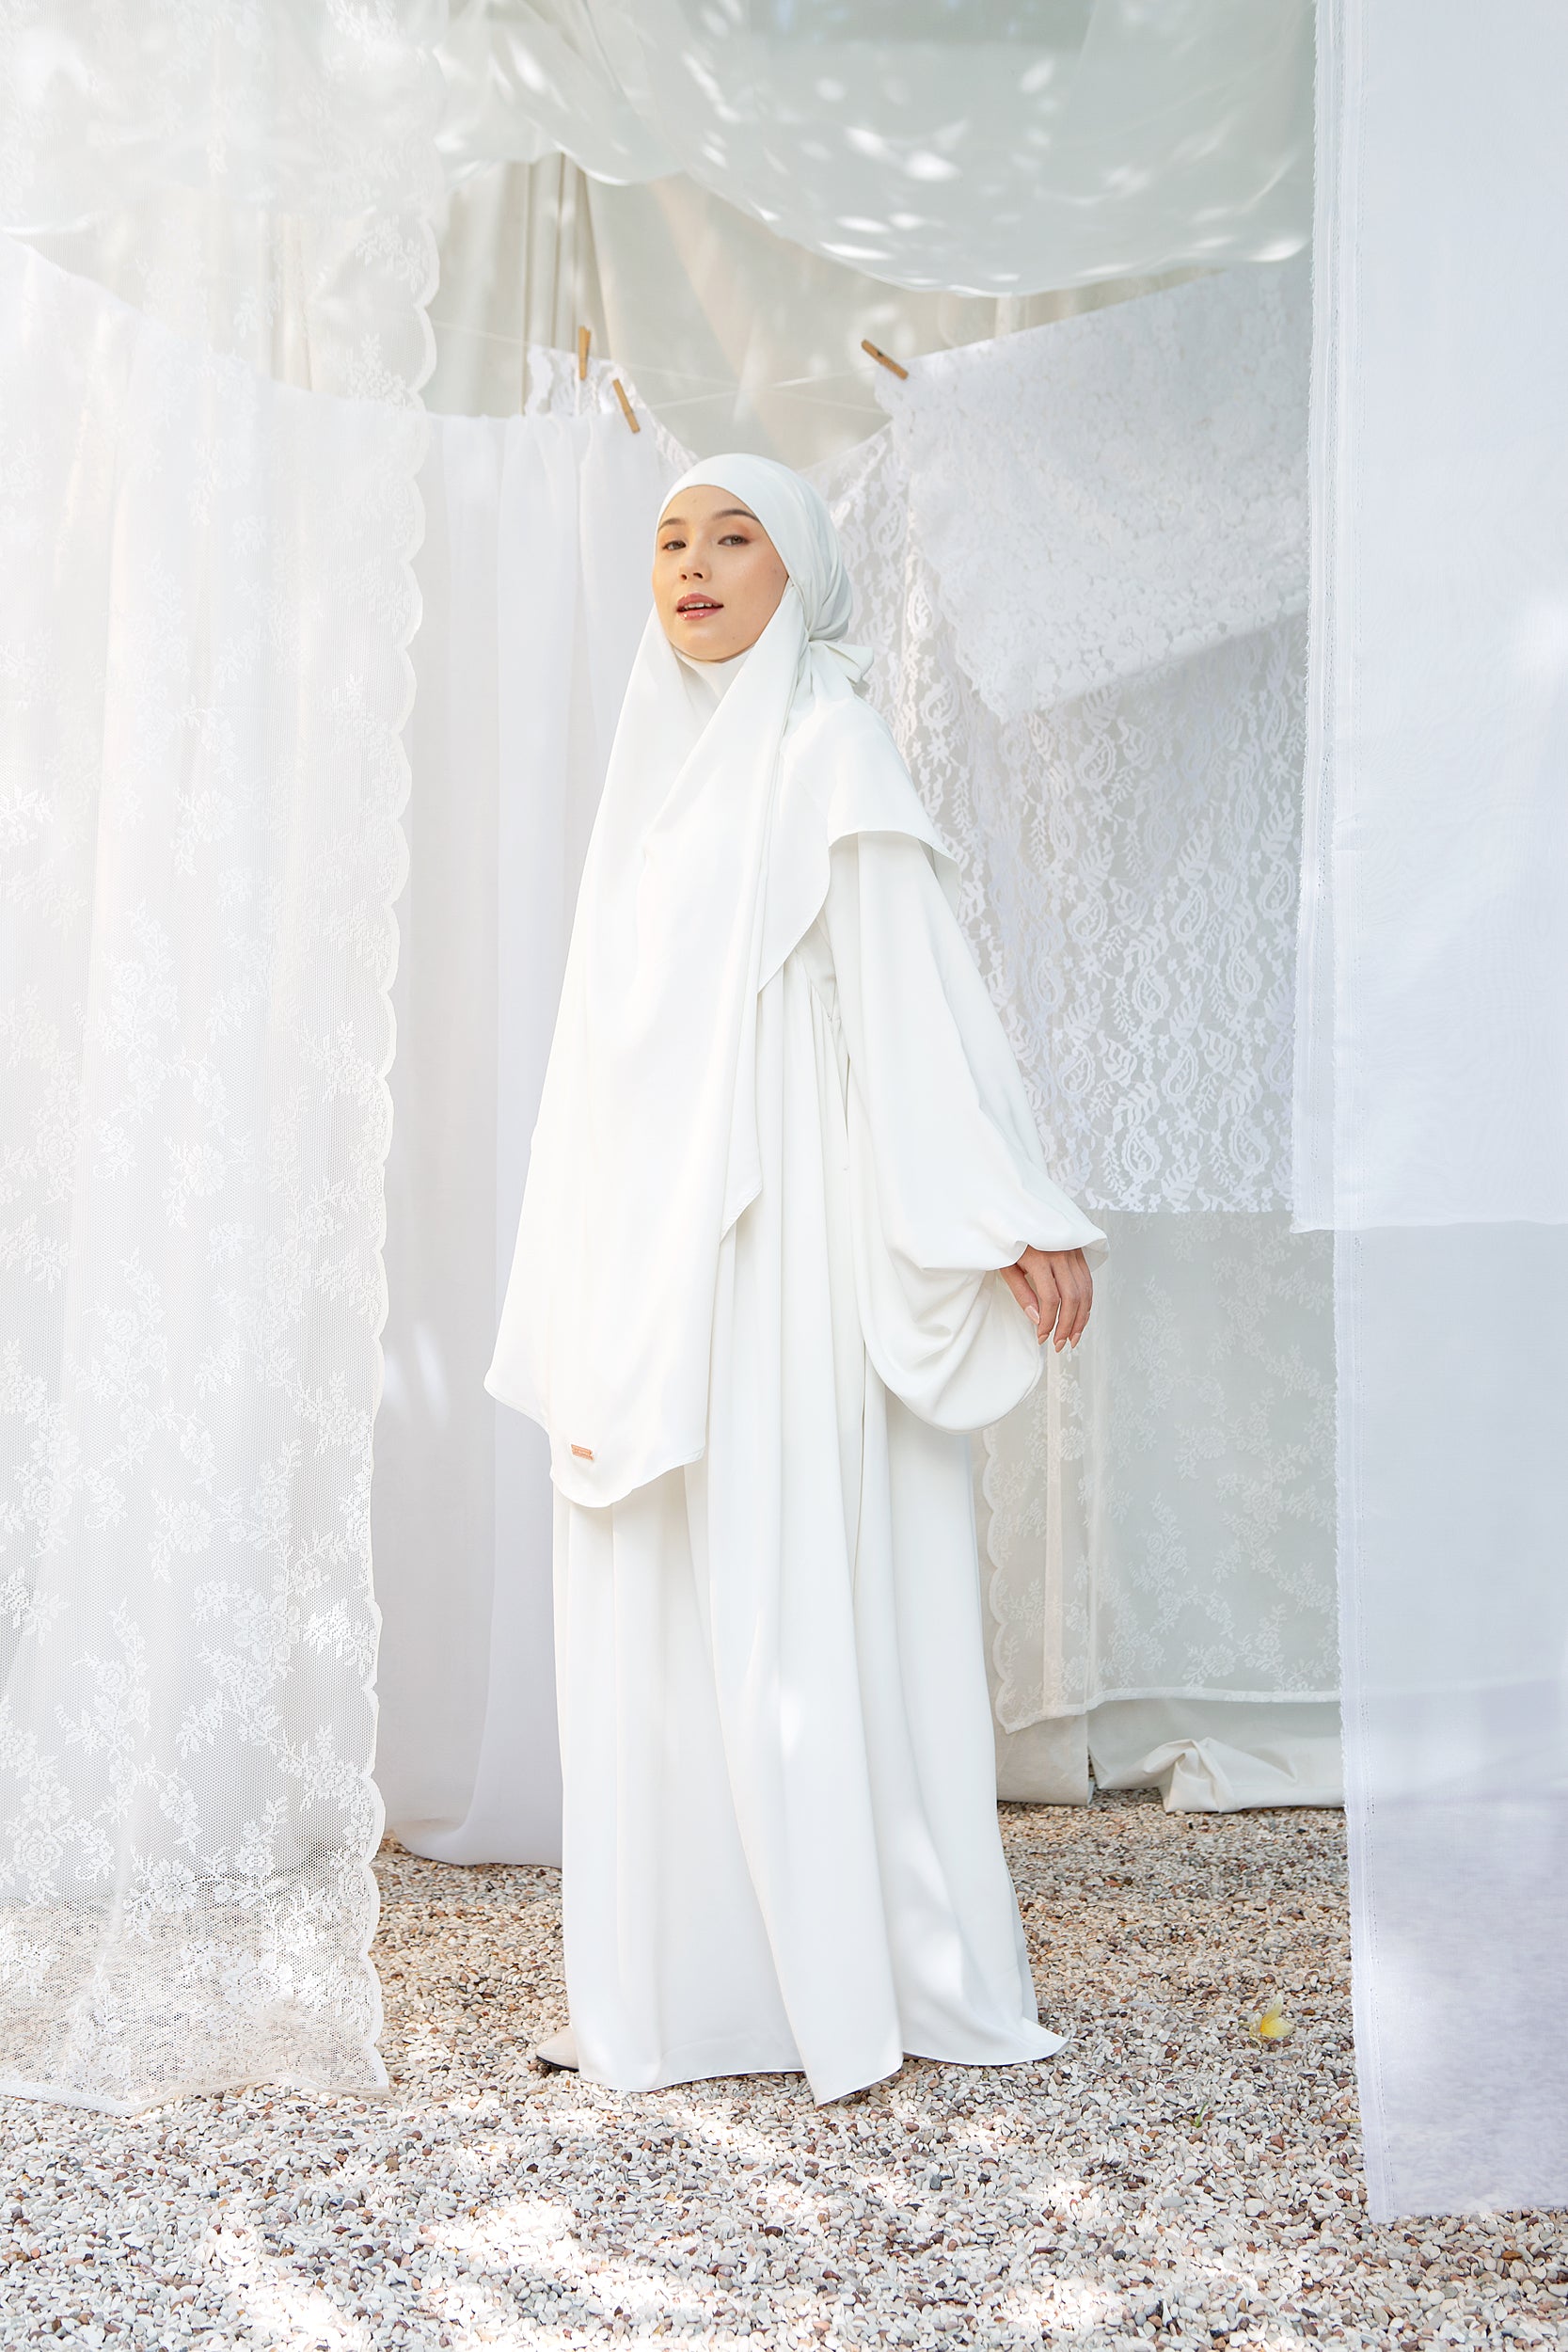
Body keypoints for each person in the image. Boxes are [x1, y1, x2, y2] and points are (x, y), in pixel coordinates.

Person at [485, 455, 1107, 2103]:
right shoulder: (657, 776)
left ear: (800, 572)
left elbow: (914, 993)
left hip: (790, 1238)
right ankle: (697, 1992)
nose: (690, 565)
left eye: (733, 536)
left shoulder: (829, 750)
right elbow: (598, 1059)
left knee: (784, 1560)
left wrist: (1008, 1208)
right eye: (671, 540)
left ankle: (844, 1962)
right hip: (662, 1239)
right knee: (669, 1577)